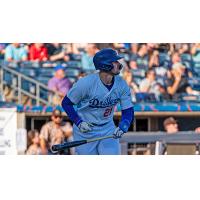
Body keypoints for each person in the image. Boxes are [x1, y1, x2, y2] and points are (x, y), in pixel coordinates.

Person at [61, 48, 134, 155]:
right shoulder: (86, 83)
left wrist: (124, 125)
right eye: (115, 61)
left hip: (108, 127)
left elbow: (128, 110)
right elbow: (66, 103)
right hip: (85, 129)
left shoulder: (121, 84)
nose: (119, 64)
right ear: (105, 65)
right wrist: (78, 122)